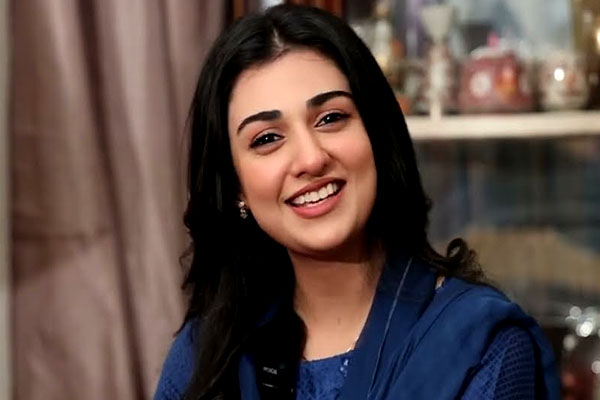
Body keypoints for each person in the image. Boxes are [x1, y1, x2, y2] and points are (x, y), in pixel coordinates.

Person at [154, 4, 560, 400]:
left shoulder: (482, 347)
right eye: (267, 139)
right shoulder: (204, 356)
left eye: (331, 118)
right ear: (236, 186)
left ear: (376, 134)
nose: (311, 158)